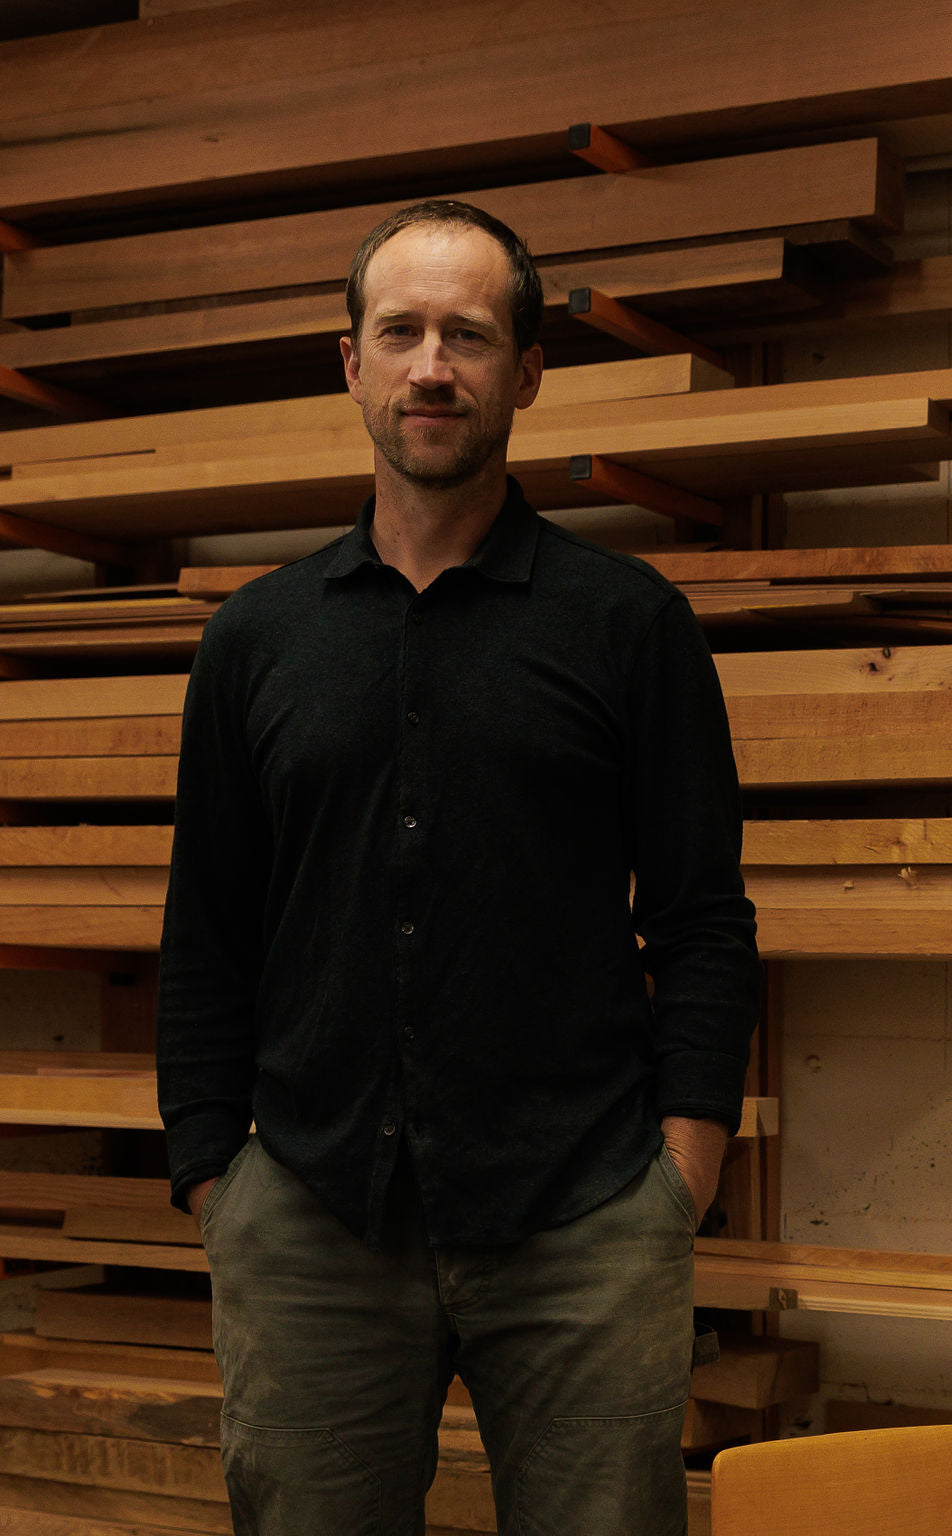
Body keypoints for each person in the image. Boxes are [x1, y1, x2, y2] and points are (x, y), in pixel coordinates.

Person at [156, 198, 761, 1536]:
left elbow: (704, 919)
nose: (433, 364)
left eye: (469, 335)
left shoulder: (628, 630)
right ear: (352, 362)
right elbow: (205, 930)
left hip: (587, 1219)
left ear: (526, 373)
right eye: (402, 331)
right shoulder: (256, 643)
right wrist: (217, 1173)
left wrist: (685, 1169)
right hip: (309, 1219)